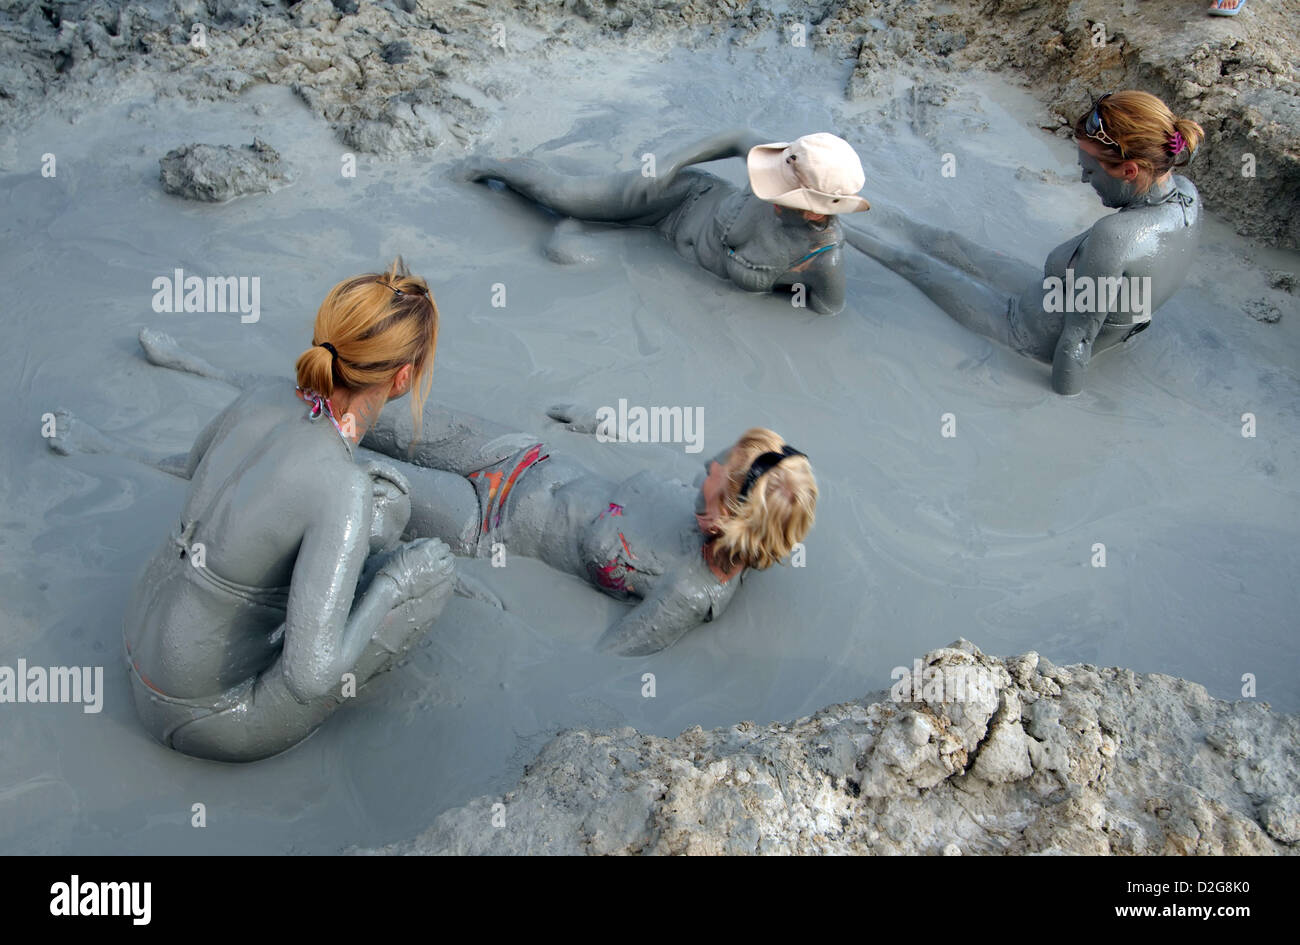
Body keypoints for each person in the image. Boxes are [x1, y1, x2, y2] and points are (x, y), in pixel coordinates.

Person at [113, 331, 819, 657]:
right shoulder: (706, 505)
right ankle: (213, 373)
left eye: (717, 473)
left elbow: (603, 665)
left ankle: (193, 468)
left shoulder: (688, 593)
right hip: (513, 453)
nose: (704, 463)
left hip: (486, 523)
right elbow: (649, 464)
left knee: (346, 476)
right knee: (359, 406)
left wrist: (493, 608)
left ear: (729, 518)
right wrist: (596, 420)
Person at [51, 260, 454, 762]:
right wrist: (399, 582)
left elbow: (197, 468)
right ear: (402, 379)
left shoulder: (262, 394)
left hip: (138, 641)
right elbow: (310, 678)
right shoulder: (340, 486)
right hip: (202, 716)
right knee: (430, 576)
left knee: (364, 516)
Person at [846, 90, 1204, 394]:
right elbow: (1130, 306)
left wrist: (1062, 408)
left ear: (1130, 171)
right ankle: (851, 202)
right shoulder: (1187, 196)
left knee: (915, 265)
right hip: (1050, 297)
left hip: (1025, 333)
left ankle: (835, 224)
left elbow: (1077, 343)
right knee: (948, 241)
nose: (1082, 178)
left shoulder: (1115, 237)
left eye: (1091, 169)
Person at [460, 130, 871, 315]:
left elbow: (827, 317)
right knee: (562, 196)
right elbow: (736, 137)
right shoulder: (788, 164)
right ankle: (487, 166)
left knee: (571, 254)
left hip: (660, 258)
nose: (768, 192)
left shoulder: (822, 262)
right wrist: (673, 162)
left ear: (817, 211)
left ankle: (577, 223)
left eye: (780, 194)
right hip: (679, 198)